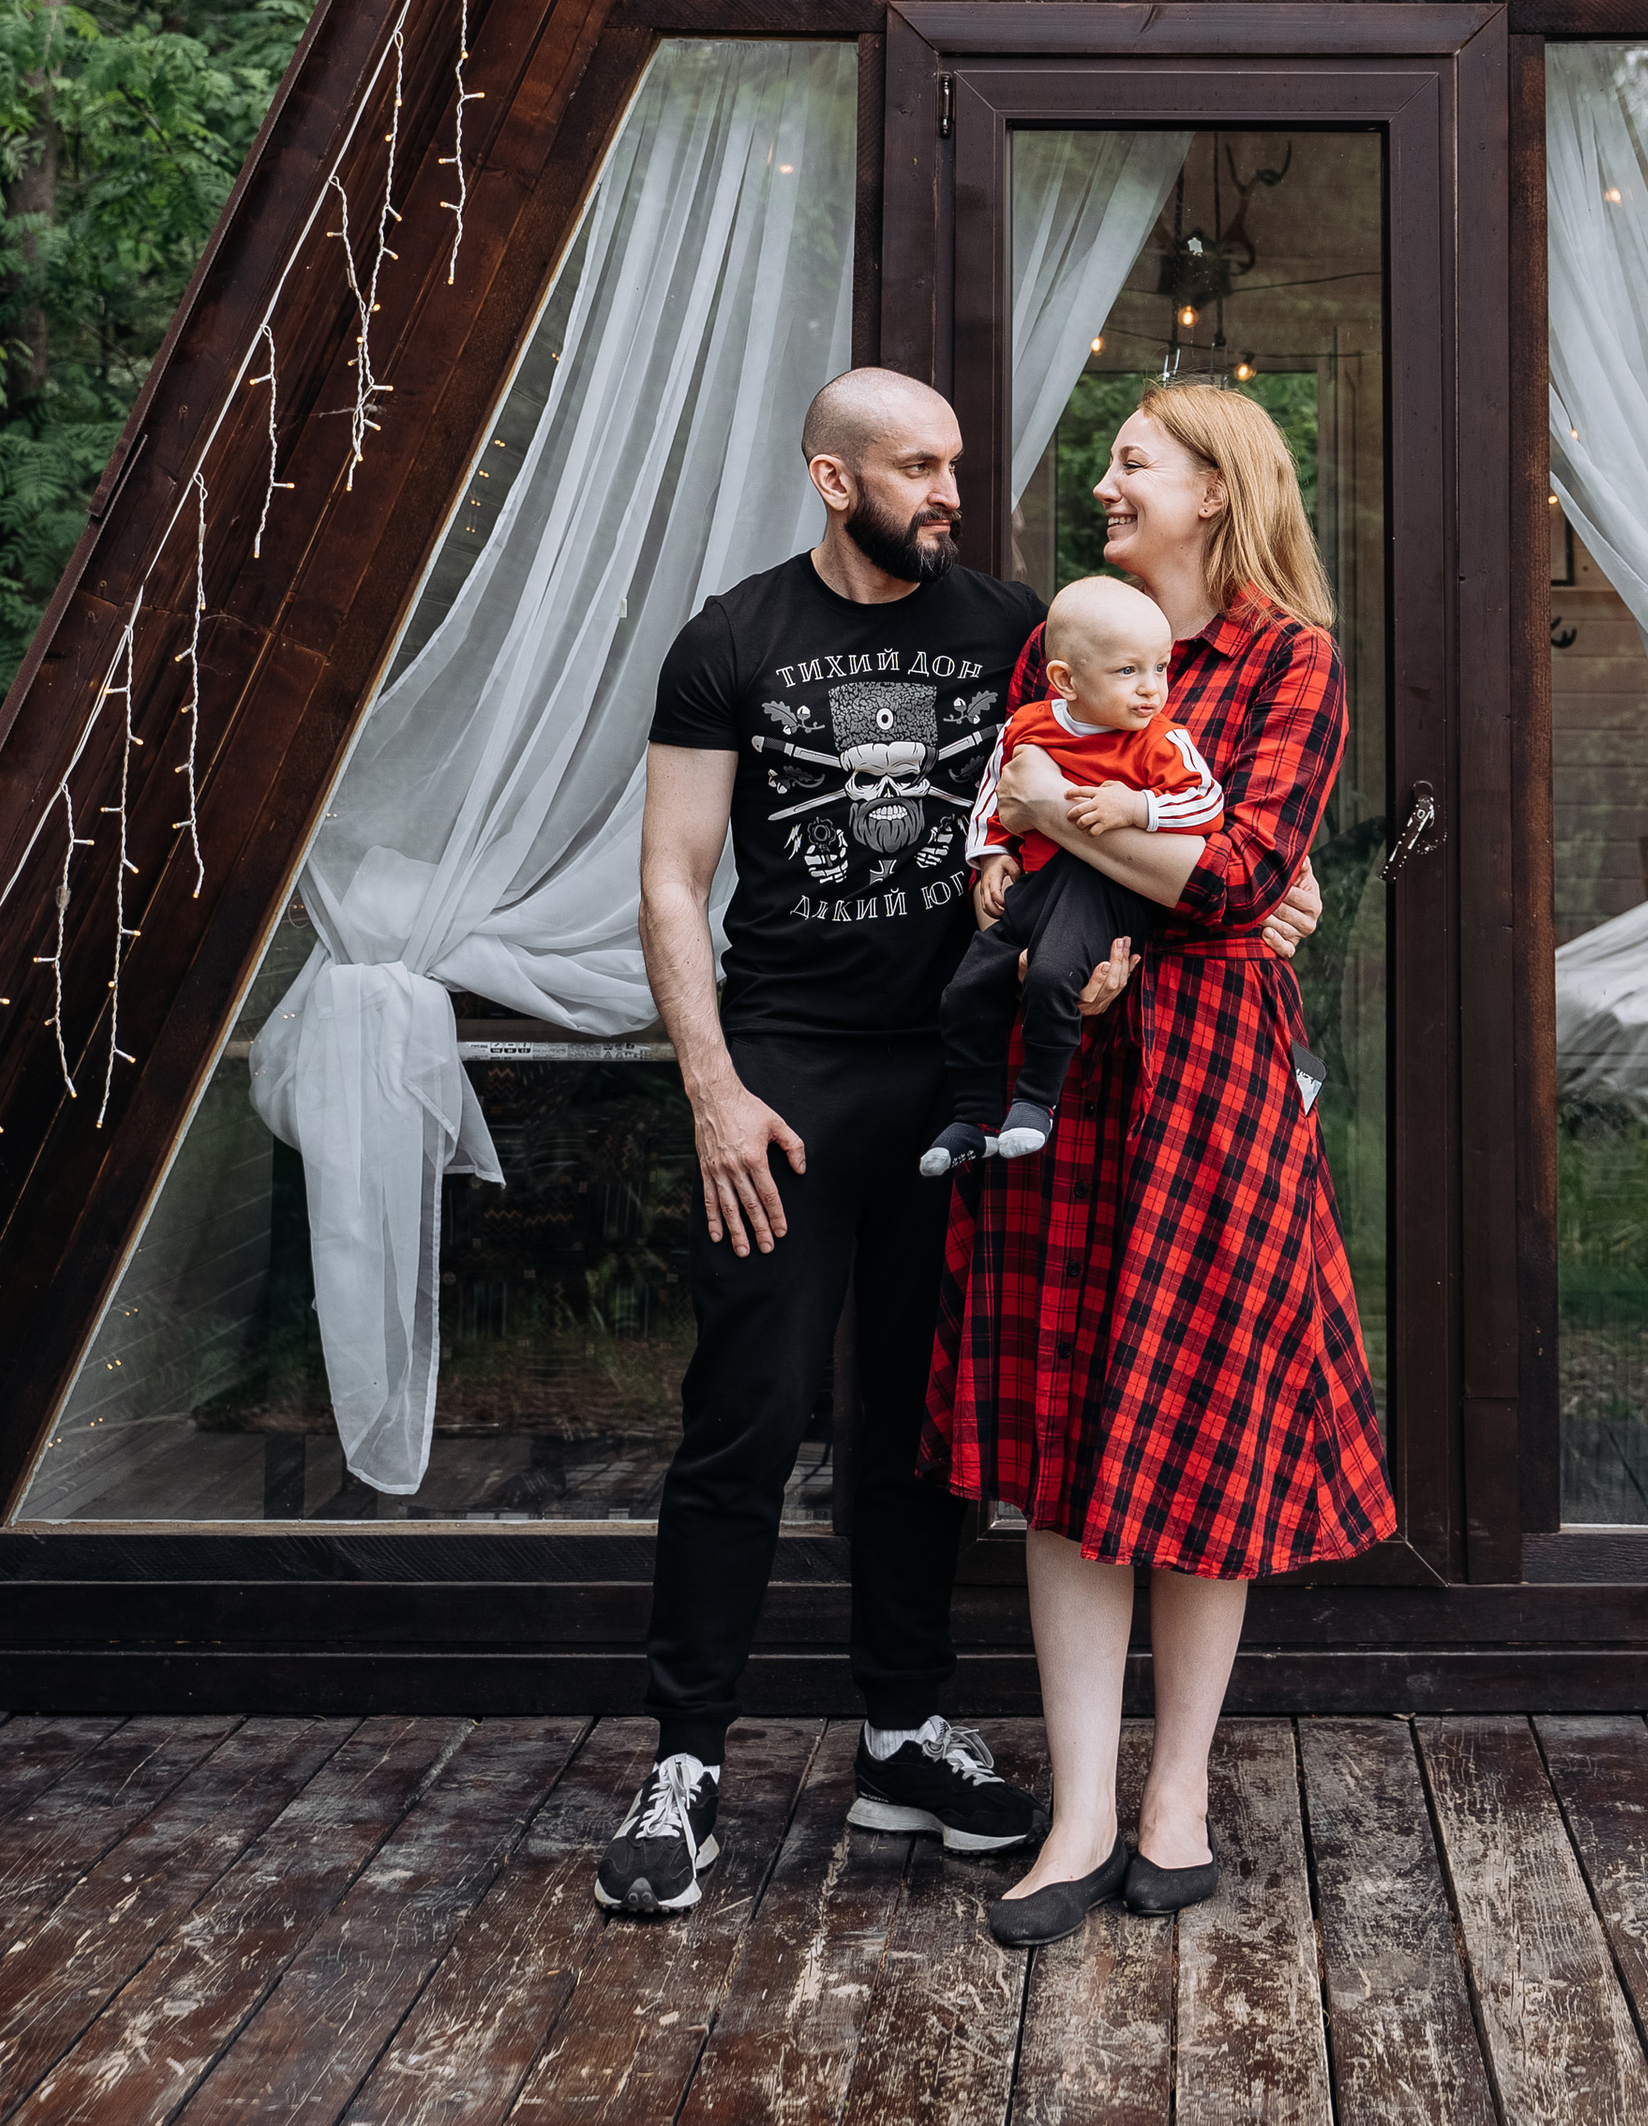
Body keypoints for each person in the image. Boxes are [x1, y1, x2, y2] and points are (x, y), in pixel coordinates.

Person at [924, 381, 1395, 1950]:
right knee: (1065, 1430)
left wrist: (1073, 818)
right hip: (1056, 1079)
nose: (1106, 481)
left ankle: (1177, 1792)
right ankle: (1075, 1812)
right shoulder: (1069, 632)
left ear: (1217, 488)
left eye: (1136, 461)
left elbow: (1247, 870)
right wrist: (1026, 847)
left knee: (1205, 1421)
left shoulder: (1289, 659)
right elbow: (998, 844)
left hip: (1211, 1084)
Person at [593, 367, 1049, 1915]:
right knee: (746, 1412)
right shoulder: (735, 640)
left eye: (955, 464)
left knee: (922, 1425)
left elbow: (1102, 805)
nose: (949, 491)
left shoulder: (1010, 629)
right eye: (918, 466)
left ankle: (907, 1733)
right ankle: (688, 1762)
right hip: (785, 1081)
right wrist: (714, 1091)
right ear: (832, 480)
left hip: (953, 1083)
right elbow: (672, 877)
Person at [923, 572, 1225, 1176]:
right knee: (966, 992)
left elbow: (1206, 803)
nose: (1152, 690)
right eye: (1128, 672)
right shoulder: (1031, 724)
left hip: (1098, 892)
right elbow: (995, 790)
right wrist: (991, 854)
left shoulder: (1159, 742)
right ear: (1065, 679)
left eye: (1161, 669)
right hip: (1033, 884)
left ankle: (1035, 1104)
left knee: (1053, 976)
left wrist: (1136, 807)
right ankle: (976, 1119)